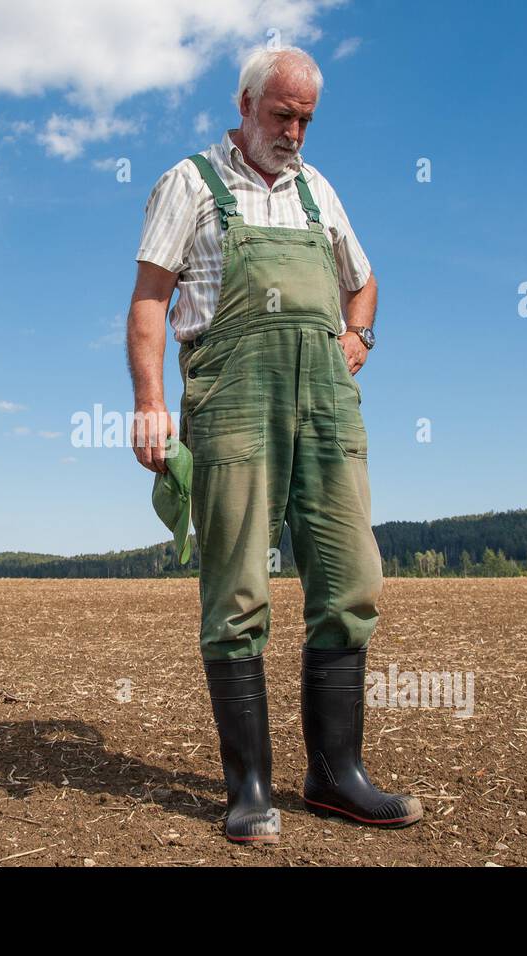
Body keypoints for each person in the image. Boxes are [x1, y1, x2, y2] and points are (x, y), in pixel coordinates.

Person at [126, 46, 423, 843]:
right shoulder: (190, 182)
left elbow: (363, 276)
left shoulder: (318, 191)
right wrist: (150, 402)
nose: (294, 132)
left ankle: (336, 775)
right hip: (234, 405)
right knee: (238, 593)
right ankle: (249, 789)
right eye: (282, 115)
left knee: (352, 578)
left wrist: (358, 336)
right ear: (248, 104)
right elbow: (150, 302)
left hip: (327, 407)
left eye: (306, 119)